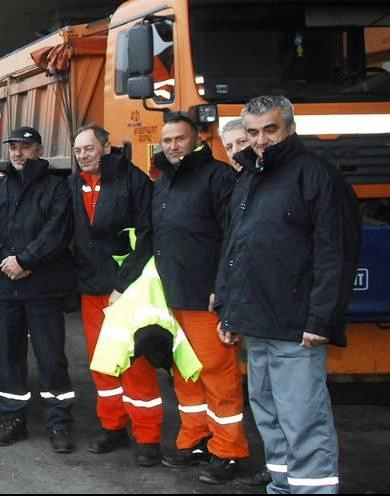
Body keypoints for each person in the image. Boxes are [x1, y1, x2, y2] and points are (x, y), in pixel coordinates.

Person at [217, 95, 360, 494]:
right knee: (269, 415)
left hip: (297, 326)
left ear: (291, 129)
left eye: (270, 129)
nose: (261, 140)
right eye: (253, 132)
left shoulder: (316, 176)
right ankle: (281, 486)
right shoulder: (249, 177)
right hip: (258, 322)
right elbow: (235, 247)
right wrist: (229, 310)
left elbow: (336, 253)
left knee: (303, 418)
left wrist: (321, 320)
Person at [152, 114, 249, 482]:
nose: (173, 145)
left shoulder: (219, 178)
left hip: (205, 298)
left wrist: (222, 290)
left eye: (180, 138)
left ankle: (228, 451)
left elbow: (233, 239)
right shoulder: (164, 181)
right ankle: (195, 440)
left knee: (219, 376)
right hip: (173, 297)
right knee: (185, 375)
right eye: (167, 140)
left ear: (197, 140)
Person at [0, 126, 76, 453]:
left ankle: (58, 423)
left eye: (25, 147)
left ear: (39, 150)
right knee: (9, 358)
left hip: (44, 288)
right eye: (14, 147)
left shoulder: (57, 187)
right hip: (6, 289)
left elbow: (57, 233)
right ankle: (13, 417)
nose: (18, 153)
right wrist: (5, 260)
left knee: (51, 358)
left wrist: (25, 260)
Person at [68, 125, 160, 463]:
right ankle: (112, 426)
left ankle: (148, 438)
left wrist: (123, 285)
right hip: (91, 288)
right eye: (78, 151)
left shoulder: (134, 182)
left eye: (89, 148)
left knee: (135, 364)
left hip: (127, 291)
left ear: (106, 148)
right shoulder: (74, 184)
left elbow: (148, 237)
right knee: (103, 362)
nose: (83, 155)